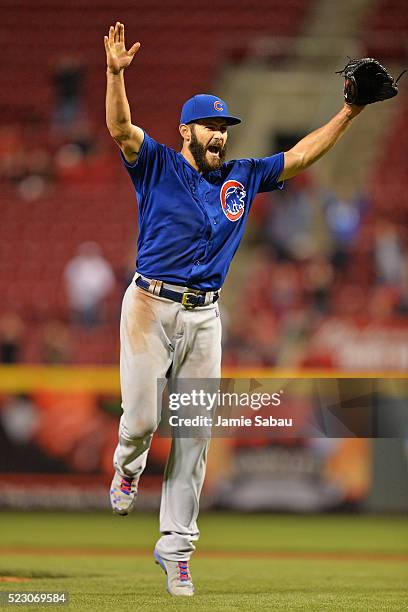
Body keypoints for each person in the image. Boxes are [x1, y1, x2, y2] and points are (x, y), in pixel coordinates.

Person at [104, 21, 364, 597]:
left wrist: (349, 113)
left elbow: (298, 157)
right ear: (186, 130)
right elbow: (121, 127)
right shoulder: (157, 164)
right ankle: (126, 468)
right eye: (210, 126)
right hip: (149, 304)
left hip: (205, 318)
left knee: (195, 435)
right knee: (144, 423)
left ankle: (175, 549)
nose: (220, 135)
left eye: (224, 127)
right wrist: (115, 75)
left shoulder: (242, 178)